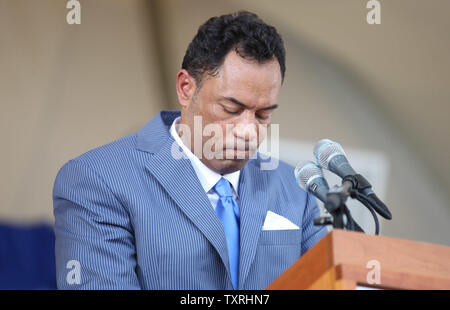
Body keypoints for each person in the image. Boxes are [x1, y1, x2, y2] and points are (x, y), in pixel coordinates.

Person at [53, 11, 328, 290]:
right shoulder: (98, 180)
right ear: (186, 89)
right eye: (231, 109)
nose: (248, 131)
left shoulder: (295, 188)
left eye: (263, 115)